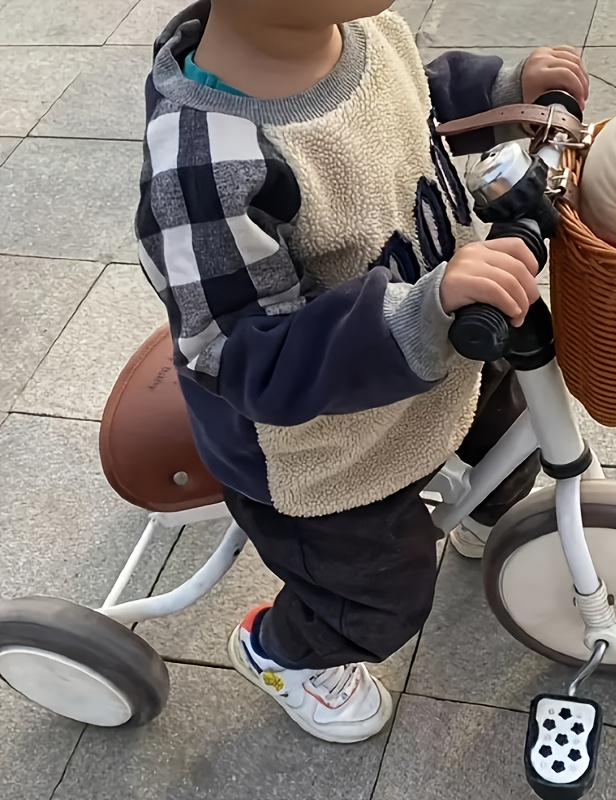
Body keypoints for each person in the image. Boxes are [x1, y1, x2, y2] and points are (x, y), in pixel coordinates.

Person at [136, 0, 589, 744]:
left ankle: (485, 511)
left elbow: (411, 99)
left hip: (439, 334)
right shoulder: (204, 163)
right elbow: (244, 358)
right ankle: (283, 650)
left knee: (512, 418)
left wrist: (506, 89)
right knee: (378, 593)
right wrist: (424, 308)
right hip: (317, 444)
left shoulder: (356, 28)